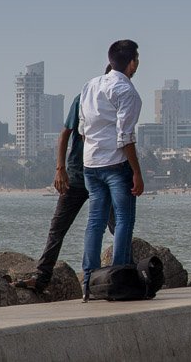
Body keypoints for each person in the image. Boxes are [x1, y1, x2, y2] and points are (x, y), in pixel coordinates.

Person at [13, 67, 116, 294]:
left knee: (117, 226)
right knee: (58, 228)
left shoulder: (122, 99)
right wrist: (60, 169)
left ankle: (122, 274)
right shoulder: (83, 98)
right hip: (78, 176)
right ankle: (42, 277)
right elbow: (64, 134)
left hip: (105, 175)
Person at [80, 41, 144, 300]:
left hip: (91, 164)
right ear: (132, 63)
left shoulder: (90, 85)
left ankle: (88, 282)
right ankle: (118, 279)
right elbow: (125, 137)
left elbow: (82, 130)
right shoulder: (126, 90)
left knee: (94, 222)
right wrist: (137, 172)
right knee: (124, 220)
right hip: (116, 165)